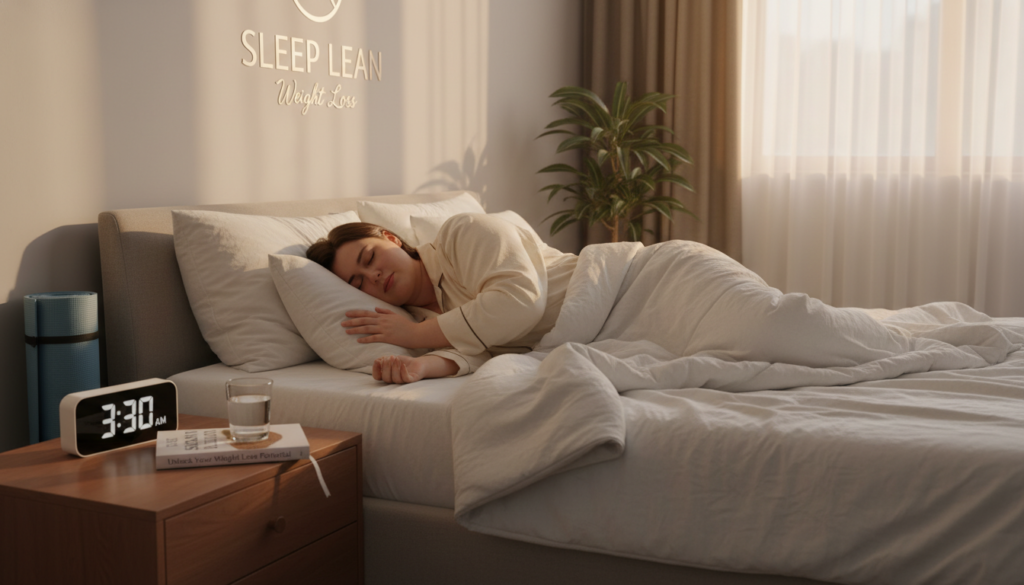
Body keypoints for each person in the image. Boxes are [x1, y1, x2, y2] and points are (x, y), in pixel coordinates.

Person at [306, 214, 577, 384]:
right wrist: (419, 366)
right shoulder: (412, 319)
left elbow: (520, 303)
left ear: (391, 239)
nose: (373, 275)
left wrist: (414, 335)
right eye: (358, 282)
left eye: (370, 258)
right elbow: (479, 351)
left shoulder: (461, 233)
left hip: (606, 288)